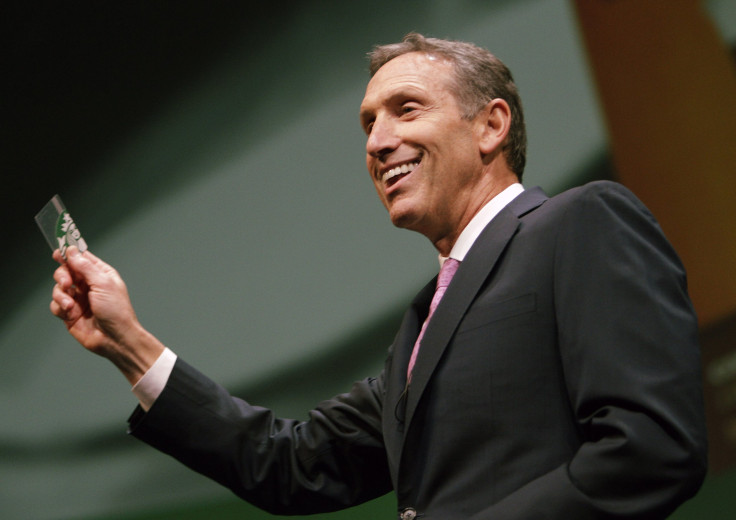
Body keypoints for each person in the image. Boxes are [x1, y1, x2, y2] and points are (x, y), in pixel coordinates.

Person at [50, 33, 707, 519]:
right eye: (368, 123)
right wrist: (127, 343)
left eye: (406, 109)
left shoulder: (581, 223)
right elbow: (291, 465)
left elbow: (650, 447)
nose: (376, 141)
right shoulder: (423, 327)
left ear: (491, 126)